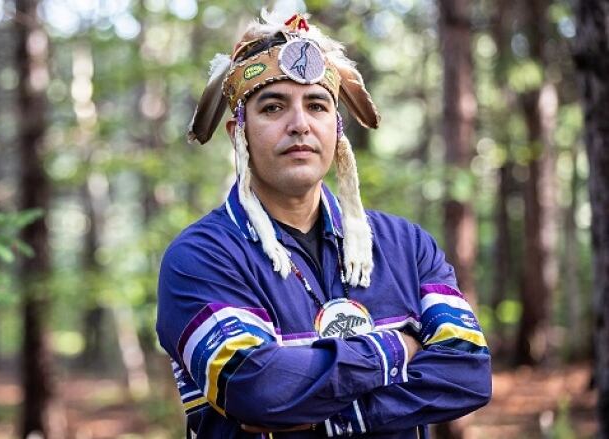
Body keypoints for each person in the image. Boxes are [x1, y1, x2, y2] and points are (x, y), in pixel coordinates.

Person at [156, 10, 491, 438]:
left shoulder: (407, 246)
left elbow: (468, 372)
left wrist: (328, 415)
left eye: (316, 105)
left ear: (336, 126)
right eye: (273, 107)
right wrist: (398, 347)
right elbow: (255, 388)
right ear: (236, 131)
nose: (299, 125)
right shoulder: (201, 257)